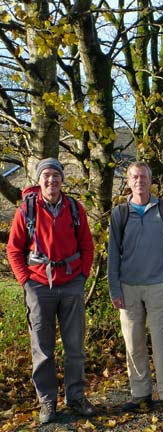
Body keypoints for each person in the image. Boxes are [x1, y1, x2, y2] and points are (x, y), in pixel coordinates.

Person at [6, 158, 96, 424]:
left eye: (56, 176)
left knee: (74, 346)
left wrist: (82, 277)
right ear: (39, 179)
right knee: (42, 350)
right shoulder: (27, 210)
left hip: (70, 284)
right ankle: (47, 401)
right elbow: (13, 250)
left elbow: (87, 246)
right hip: (39, 286)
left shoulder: (75, 209)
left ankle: (76, 397)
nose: (51, 181)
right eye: (46, 176)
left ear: (62, 180)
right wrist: (26, 283)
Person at [108, 161, 163, 414]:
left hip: (158, 286)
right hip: (128, 287)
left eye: (143, 176)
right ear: (128, 182)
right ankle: (140, 393)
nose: (139, 180)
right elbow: (113, 256)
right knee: (133, 343)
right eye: (134, 177)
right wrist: (114, 289)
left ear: (151, 181)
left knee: (161, 343)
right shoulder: (119, 213)